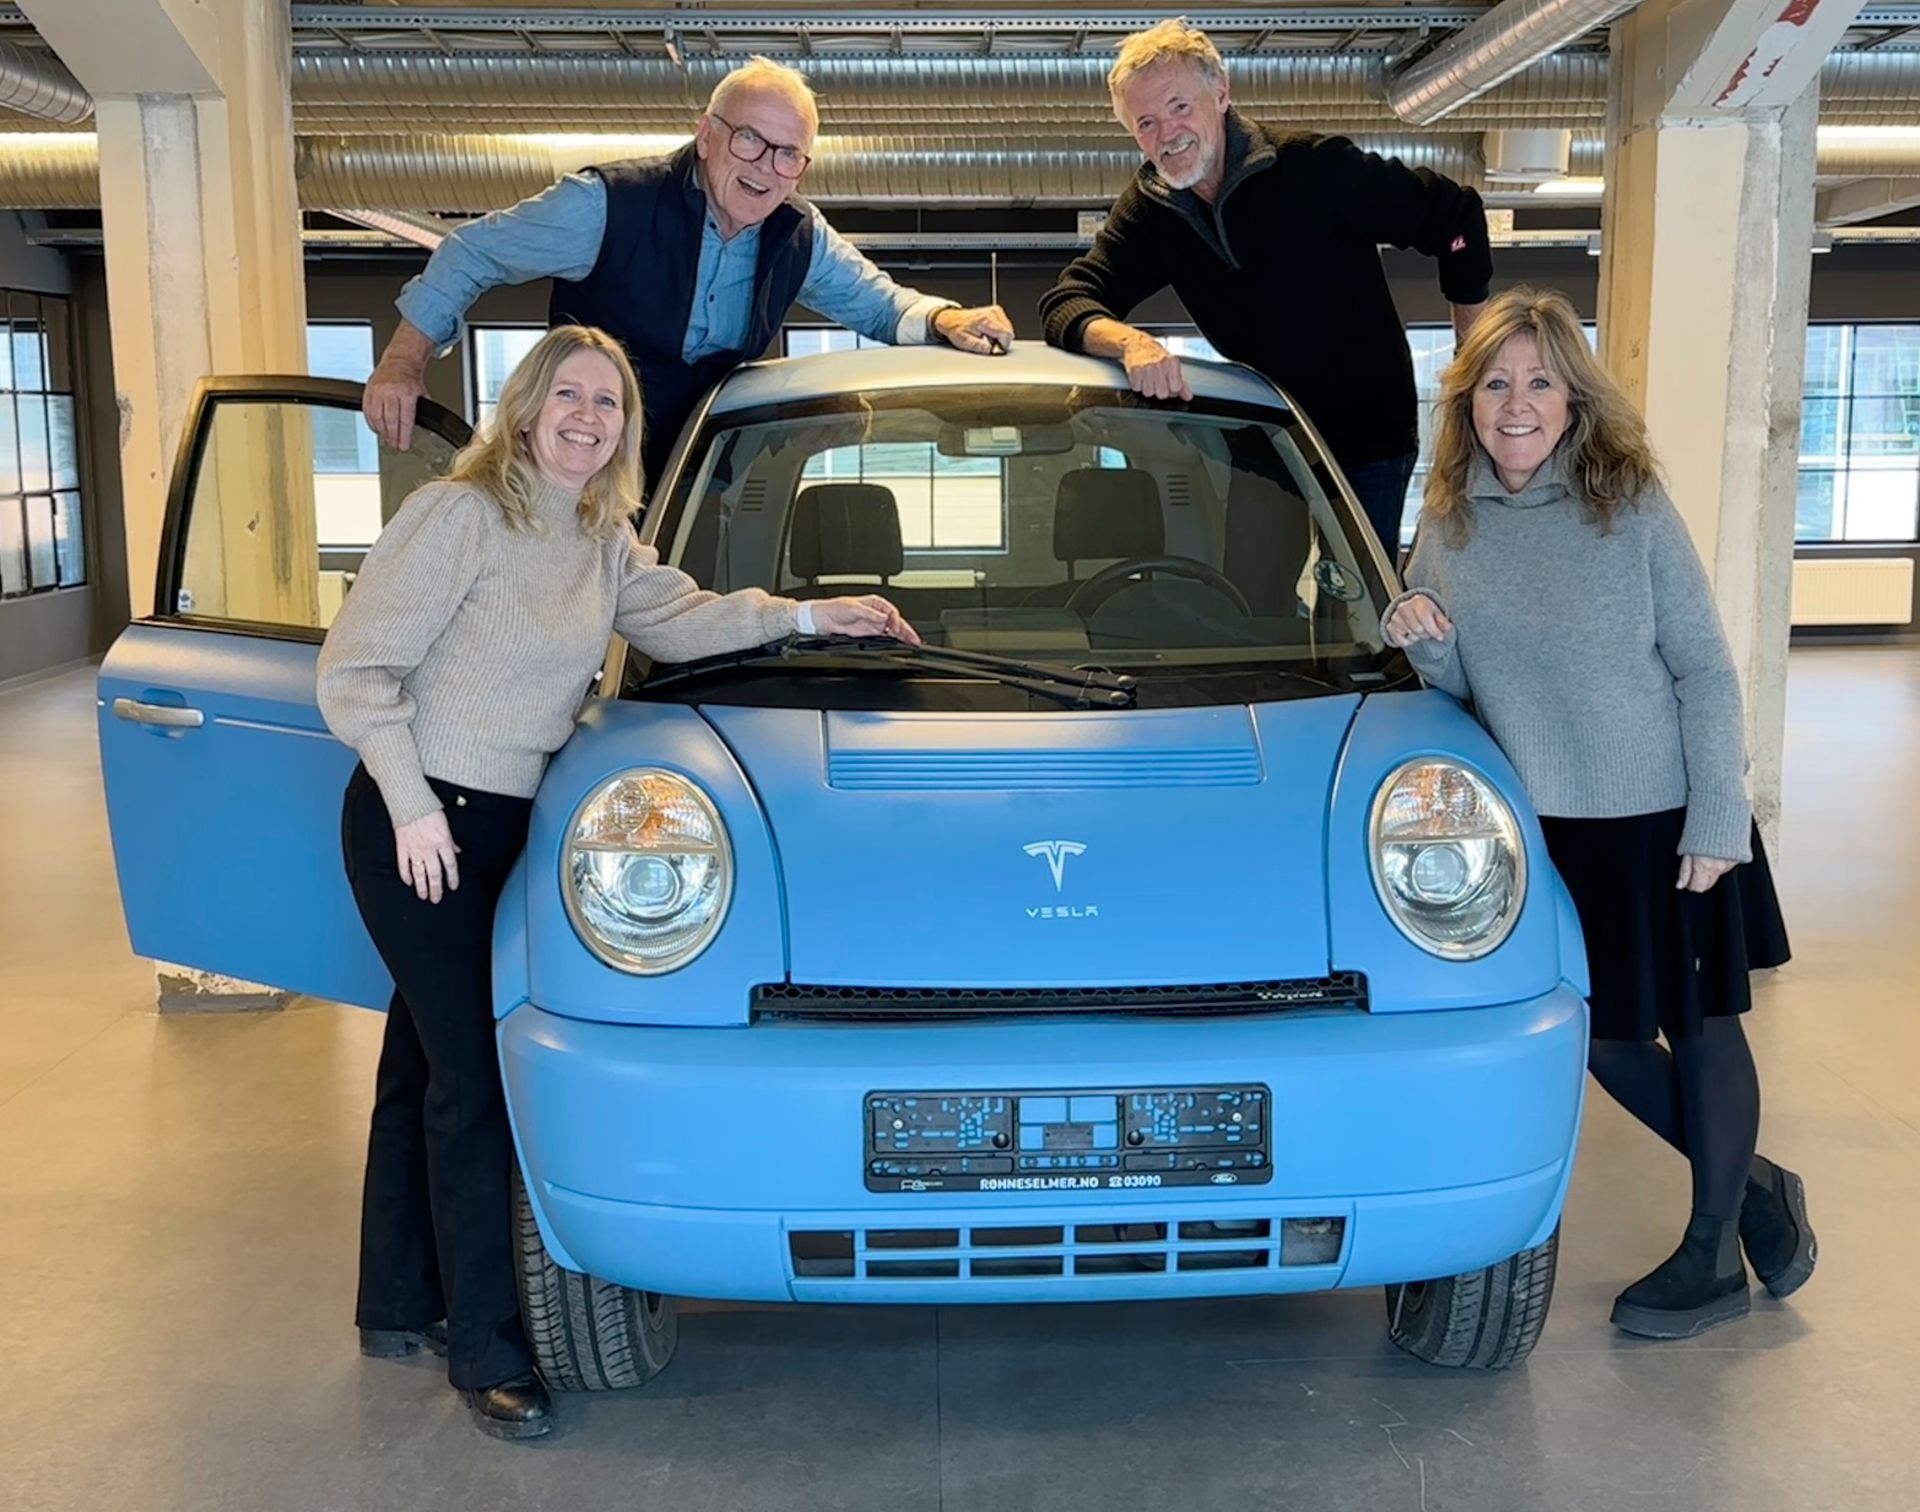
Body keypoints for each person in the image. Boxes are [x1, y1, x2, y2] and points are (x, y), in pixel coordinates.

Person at [318, 325, 917, 1439]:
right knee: (475, 1086)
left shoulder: (598, 536)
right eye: (572, 398)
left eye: (610, 405)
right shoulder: (461, 514)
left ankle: (402, 1303)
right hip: (425, 821)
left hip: (508, 820)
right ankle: (489, 1353)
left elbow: (682, 617)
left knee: (422, 1062)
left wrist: (810, 614)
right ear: (529, 406)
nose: (589, 420)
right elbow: (354, 671)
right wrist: (409, 807)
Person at [1381, 287, 1816, 1340]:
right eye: (1496, 383)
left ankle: (1712, 1249)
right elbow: (1456, 693)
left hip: (1666, 812)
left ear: (1572, 399)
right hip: (1549, 827)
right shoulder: (1448, 517)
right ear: (1467, 400)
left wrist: (1720, 814)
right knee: (1603, 1040)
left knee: (1702, 1028)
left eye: (1540, 382)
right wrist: (1426, 639)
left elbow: (1706, 670)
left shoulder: (1629, 501)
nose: (1517, 404)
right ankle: (1755, 1184)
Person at [364, 54, 1014, 486]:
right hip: (575, 468)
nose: (765, 167)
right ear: (706, 135)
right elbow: (474, 251)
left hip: (688, 485)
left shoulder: (797, 237)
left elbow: (878, 305)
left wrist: (948, 318)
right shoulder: (607, 205)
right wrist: (403, 363)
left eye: (789, 155)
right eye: (750, 139)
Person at [1038, 19, 1491, 556]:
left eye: (1180, 107)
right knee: (1256, 606)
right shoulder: (1152, 210)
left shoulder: (1314, 169)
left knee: (1359, 610)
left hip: (1370, 435)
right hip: (1266, 440)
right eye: (1146, 123)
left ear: (1221, 93)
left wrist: (1474, 359)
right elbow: (1068, 301)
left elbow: (1456, 219)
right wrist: (1132, 344)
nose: (1167, 134)